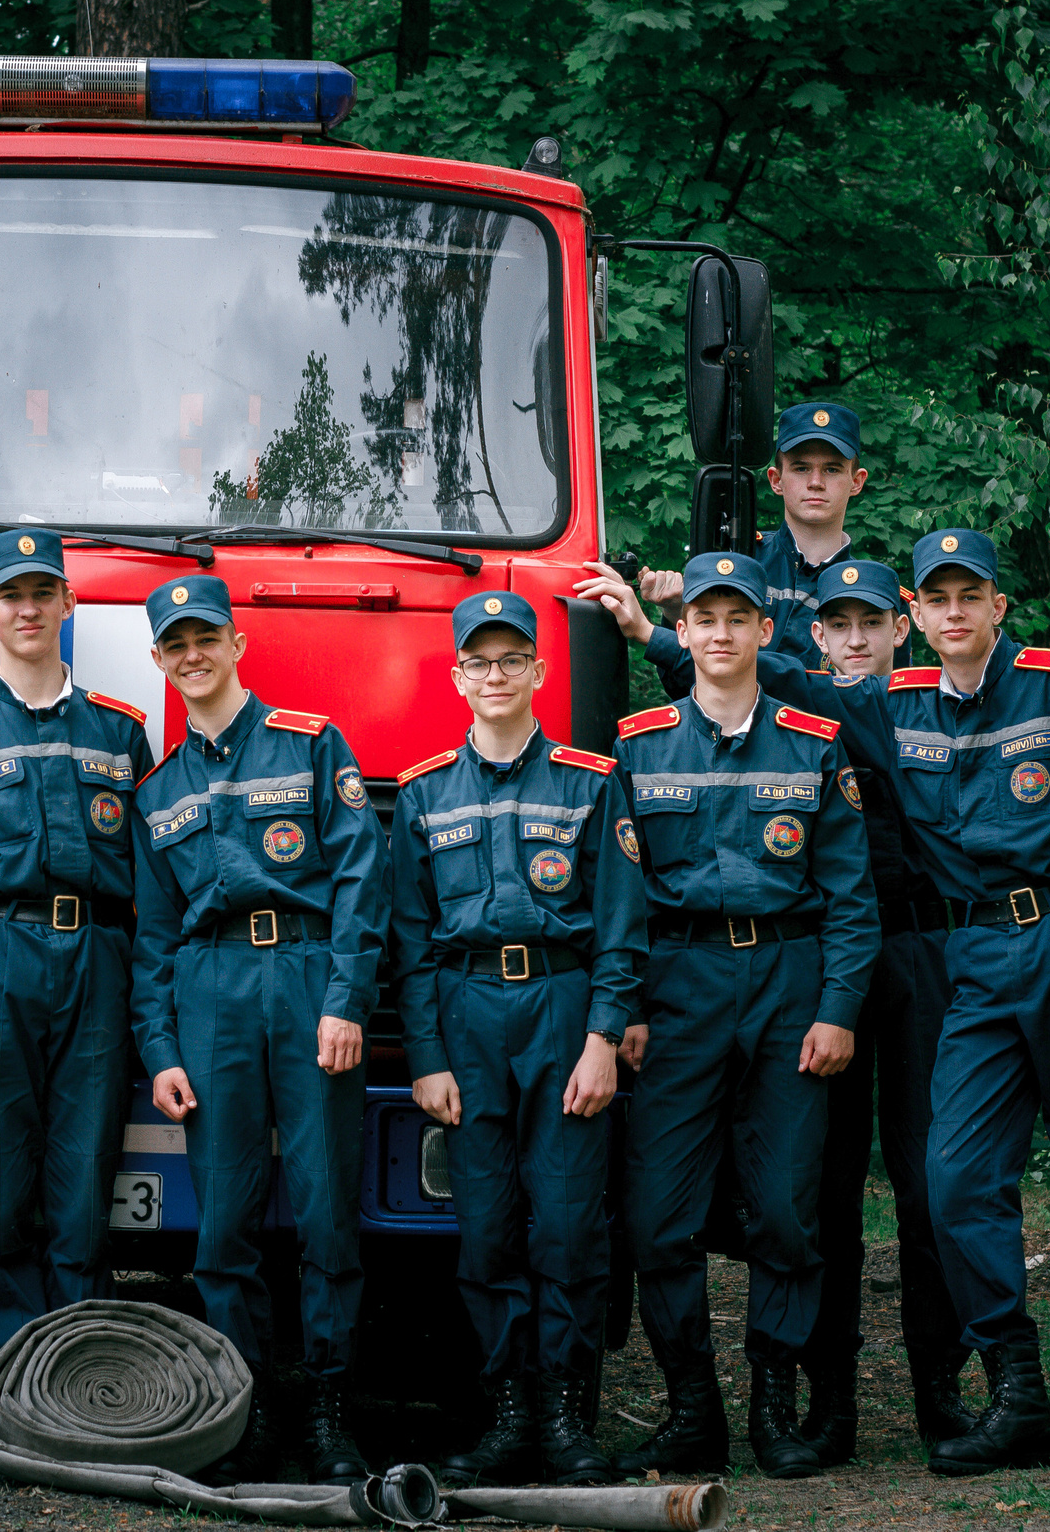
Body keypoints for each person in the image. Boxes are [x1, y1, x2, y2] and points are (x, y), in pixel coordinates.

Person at [757, 529, 1050, 1474]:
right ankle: (1016, 1391)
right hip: (975, 952)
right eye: (938, 598)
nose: (955, 612)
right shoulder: (894, 702)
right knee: (954, 1177)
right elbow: (784, 681)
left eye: (970, 595)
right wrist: (658, 629)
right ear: (916, 615)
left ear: (997, 606)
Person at [609, 552, 878, 1481]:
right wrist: (627, 1005)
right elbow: (619, 897)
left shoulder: (813, 742)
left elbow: (852, 898)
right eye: (705, 617)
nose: (720, 632)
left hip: (789, 986)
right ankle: (693, 1410)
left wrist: (839, 1009)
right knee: (656, 1216)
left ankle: (774, 1402)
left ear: (767, 631)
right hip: (678, 989)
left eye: (738, 617)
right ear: (681, 631)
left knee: (787, 1210)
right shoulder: (638, 745)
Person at [129, 575, 386, 1485]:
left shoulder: (311, 744)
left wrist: (346, 999)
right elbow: (153, 935)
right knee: (223, 1224)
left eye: (207, 637)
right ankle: (244, 1412)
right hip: (211, 993)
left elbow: (359, 877)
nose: (193, 655)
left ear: (237, 644)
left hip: (309, 979)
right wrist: (161, 1049)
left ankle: (326, 1408)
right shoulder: (157, 789)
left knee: (326, 1211)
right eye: (176, 644)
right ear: (160, 660)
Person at [384, 591, 644, 1488]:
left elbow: (621, 926)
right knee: (487, 1231)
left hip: (562, 1007)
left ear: (539, 669)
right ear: (457, 677)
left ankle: (566, 1418)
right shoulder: (423, 792)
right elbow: (409, 943)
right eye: (479, 662)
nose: (495, 675)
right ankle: (506, 1417)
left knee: (569, 1225)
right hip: (466, 1017)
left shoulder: (590, 780)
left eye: (510, 660)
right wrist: (426, 1057)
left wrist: (603, 1037)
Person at [0, 530, 156, 1357]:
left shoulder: (121, 733)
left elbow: (154, 885)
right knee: (3, 1195)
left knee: (84, 1195)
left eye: (43, 591)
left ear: (68, 602)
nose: (28, 608)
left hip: (98, 968)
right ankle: (12, 1383)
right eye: (11, 594)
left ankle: (76, 1382)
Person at [793, 560, 971, 1463]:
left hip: (920, 954)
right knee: (826, 1188)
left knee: (928, 1180)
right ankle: (831, 1403)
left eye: (872, 622)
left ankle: (942, 1391)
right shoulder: (795, 717)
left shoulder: (936, 706)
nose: (857, 638)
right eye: (840, 624)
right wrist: (652, 632)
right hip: (827, 965)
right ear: (817, 636)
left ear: (902, 628)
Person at [579, 399, 880, 698]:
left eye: (832, 469)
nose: (815, 482)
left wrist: (649, 634)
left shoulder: (874, 596)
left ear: (856, 481)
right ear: (776, 480)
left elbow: (873, 702)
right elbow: (684, 689)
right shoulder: (737, 559)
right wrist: (674, 612)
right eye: (801, 468)